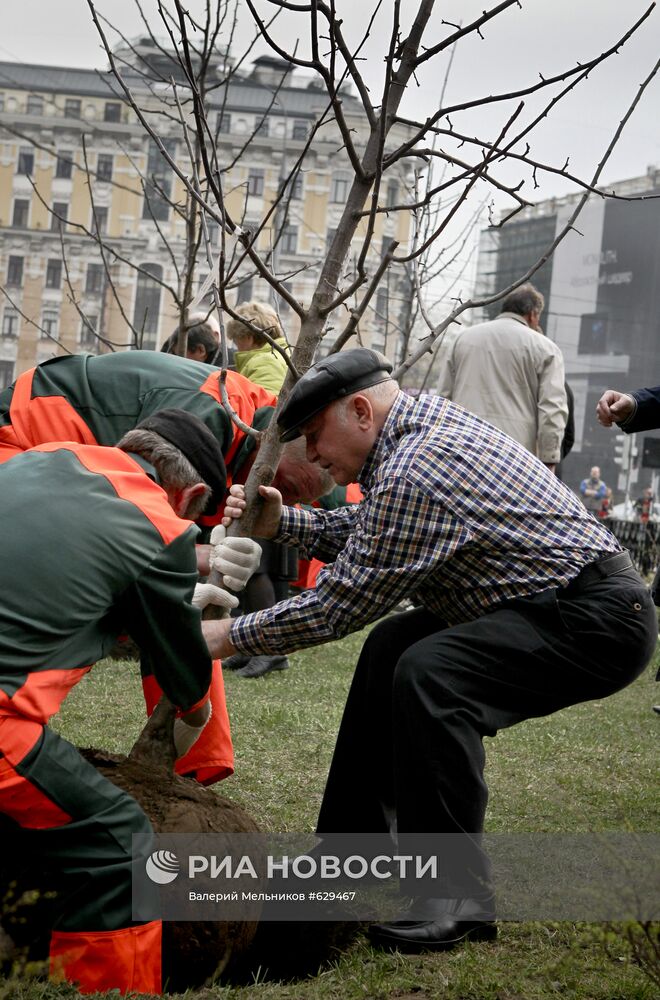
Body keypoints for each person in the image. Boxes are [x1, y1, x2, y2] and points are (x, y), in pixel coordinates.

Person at [203, 347, 657, 954]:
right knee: (396, 644)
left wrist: (228, 635)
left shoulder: (423, 463)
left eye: (314, 436)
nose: (310, 456)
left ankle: (458, 898)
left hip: (596, 620)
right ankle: (350, 857)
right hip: (553, 603)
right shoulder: (416, 434)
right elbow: (381, 533)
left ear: (360, 410)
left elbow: (340, 606)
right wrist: (283, 525)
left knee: (433, 673)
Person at [0, 410, 241, 994]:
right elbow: (183, 671)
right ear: (194, 494)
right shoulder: (160, 522)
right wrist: (195, 705)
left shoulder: (39, 459)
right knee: (119, 841)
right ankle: (105, 987)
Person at [0, 351, 302, 782]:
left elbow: (166, 545)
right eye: (288, 486)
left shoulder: (249, 430)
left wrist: (206, 558)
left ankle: (194, 766)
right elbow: (157, 552)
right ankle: (15, 737)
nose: (281, 499)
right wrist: (194, 707)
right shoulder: (207, 414)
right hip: (17, 437)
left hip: (58, 462)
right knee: (100, 594)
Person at [437, 283, 568, 472]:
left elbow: (442, 400)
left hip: (462, 451)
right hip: (515, 458)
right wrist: (549, 459)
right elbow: (552, 409)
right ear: (532, 314)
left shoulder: (462, 339)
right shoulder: (547, 349)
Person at [226, 301, 290, 394]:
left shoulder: (265, 362)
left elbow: (265, 406)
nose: (237, 348)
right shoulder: (282, 355)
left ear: (248, 337)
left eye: (236, 341)